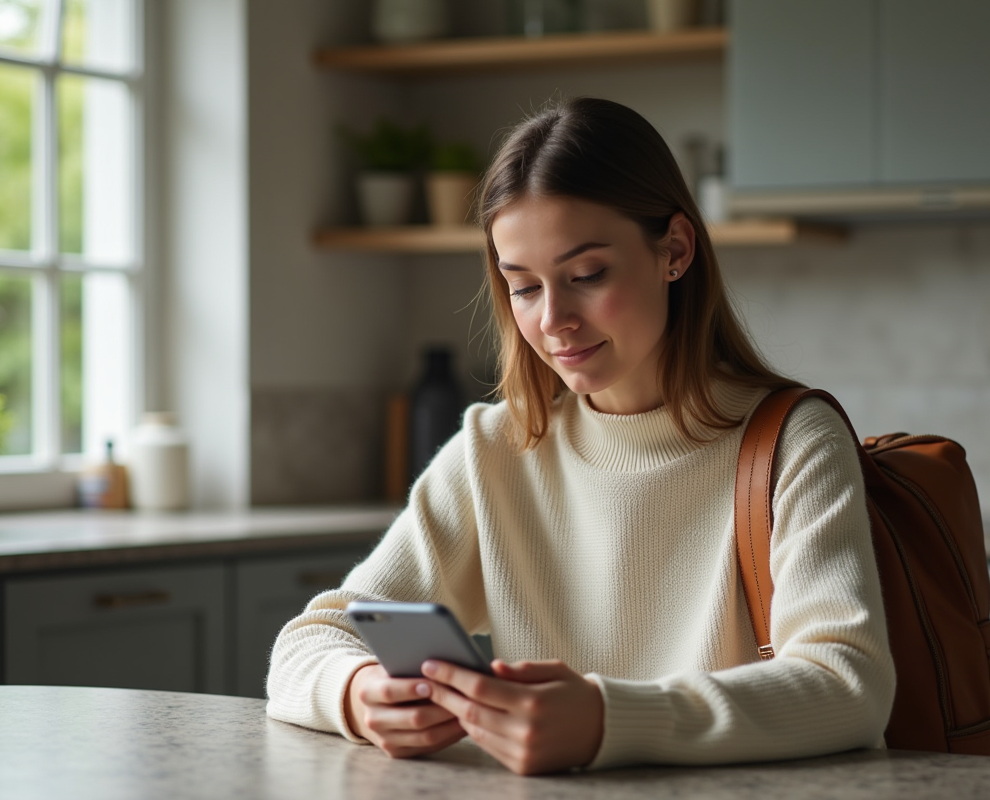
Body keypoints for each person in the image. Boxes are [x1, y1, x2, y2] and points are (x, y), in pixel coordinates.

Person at [266, 97, 895, 776]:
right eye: (524, 287)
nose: (554, 320)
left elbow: (848, 684)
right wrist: (360, 695)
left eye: (587, 275)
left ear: (675, 250)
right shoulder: (497, 449)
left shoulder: (794, 440)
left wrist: (607, 719)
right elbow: (311, 641)